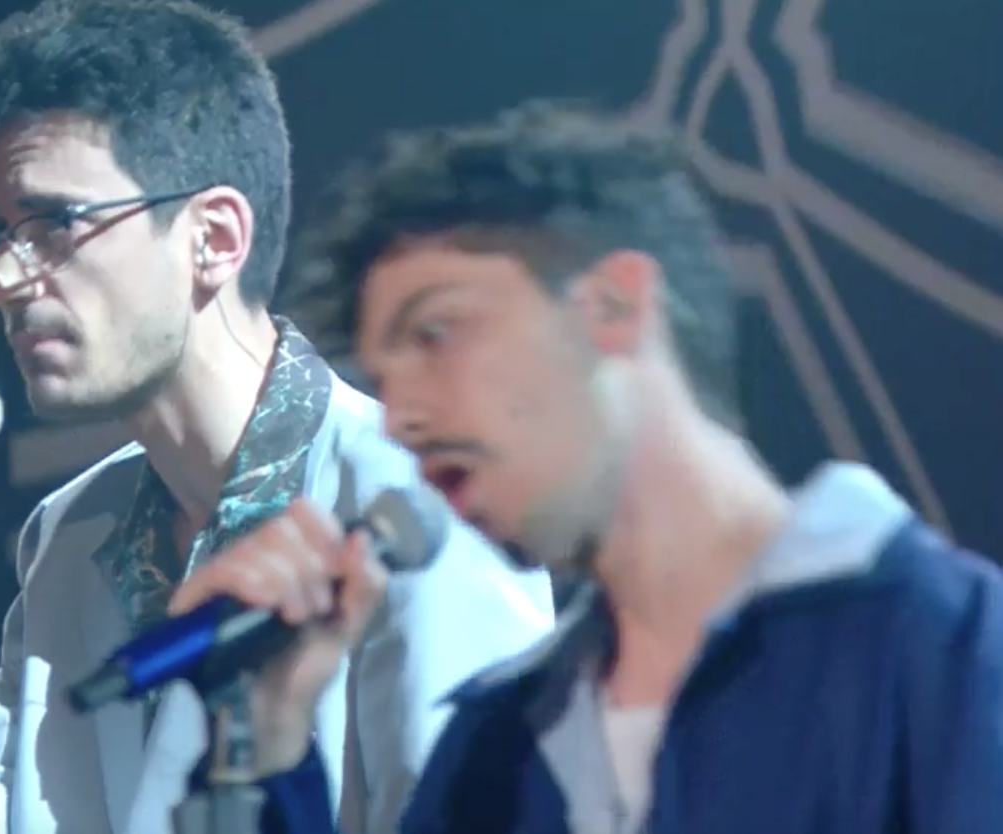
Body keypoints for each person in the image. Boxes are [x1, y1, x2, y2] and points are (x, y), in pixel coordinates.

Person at [0, 3, 554, 834]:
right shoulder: (71, 534)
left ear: (213, 238)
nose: (2, 280)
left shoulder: (420, 505)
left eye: (54, 225)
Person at [169, 100, 1003, 833]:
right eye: (383, 382)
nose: (403, 417)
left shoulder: (946, 645)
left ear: (614, 304)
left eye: (435, 333)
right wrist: (264, 752)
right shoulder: (493, 747)